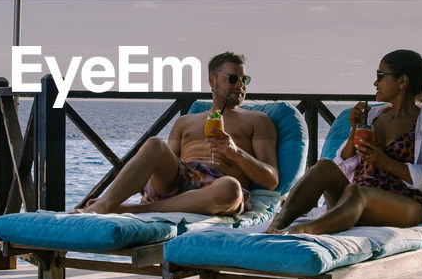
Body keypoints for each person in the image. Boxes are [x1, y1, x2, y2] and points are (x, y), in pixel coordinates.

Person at [265, 49, 422, 262]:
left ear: (402, 81)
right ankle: (277, 225)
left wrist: (385, 163)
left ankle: (303, 233)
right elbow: (341, 165)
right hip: (353, 199)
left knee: (358, 192)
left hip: (404, 205)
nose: (375, 83)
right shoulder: (373, 116)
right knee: (324, 166)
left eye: (381, 76)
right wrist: (354, 131)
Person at [77, 52, 278, 216]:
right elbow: (160, 169)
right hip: (181, 179)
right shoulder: (185, 121)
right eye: (233, 78)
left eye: (245, 79)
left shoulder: (257, 120)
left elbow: (272, 179)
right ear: (211, 80)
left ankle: (130, 210)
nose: (240, 85)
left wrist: (236, 153)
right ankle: (103, 204)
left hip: (219, 186)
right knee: (154, 144)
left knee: (231, 189)